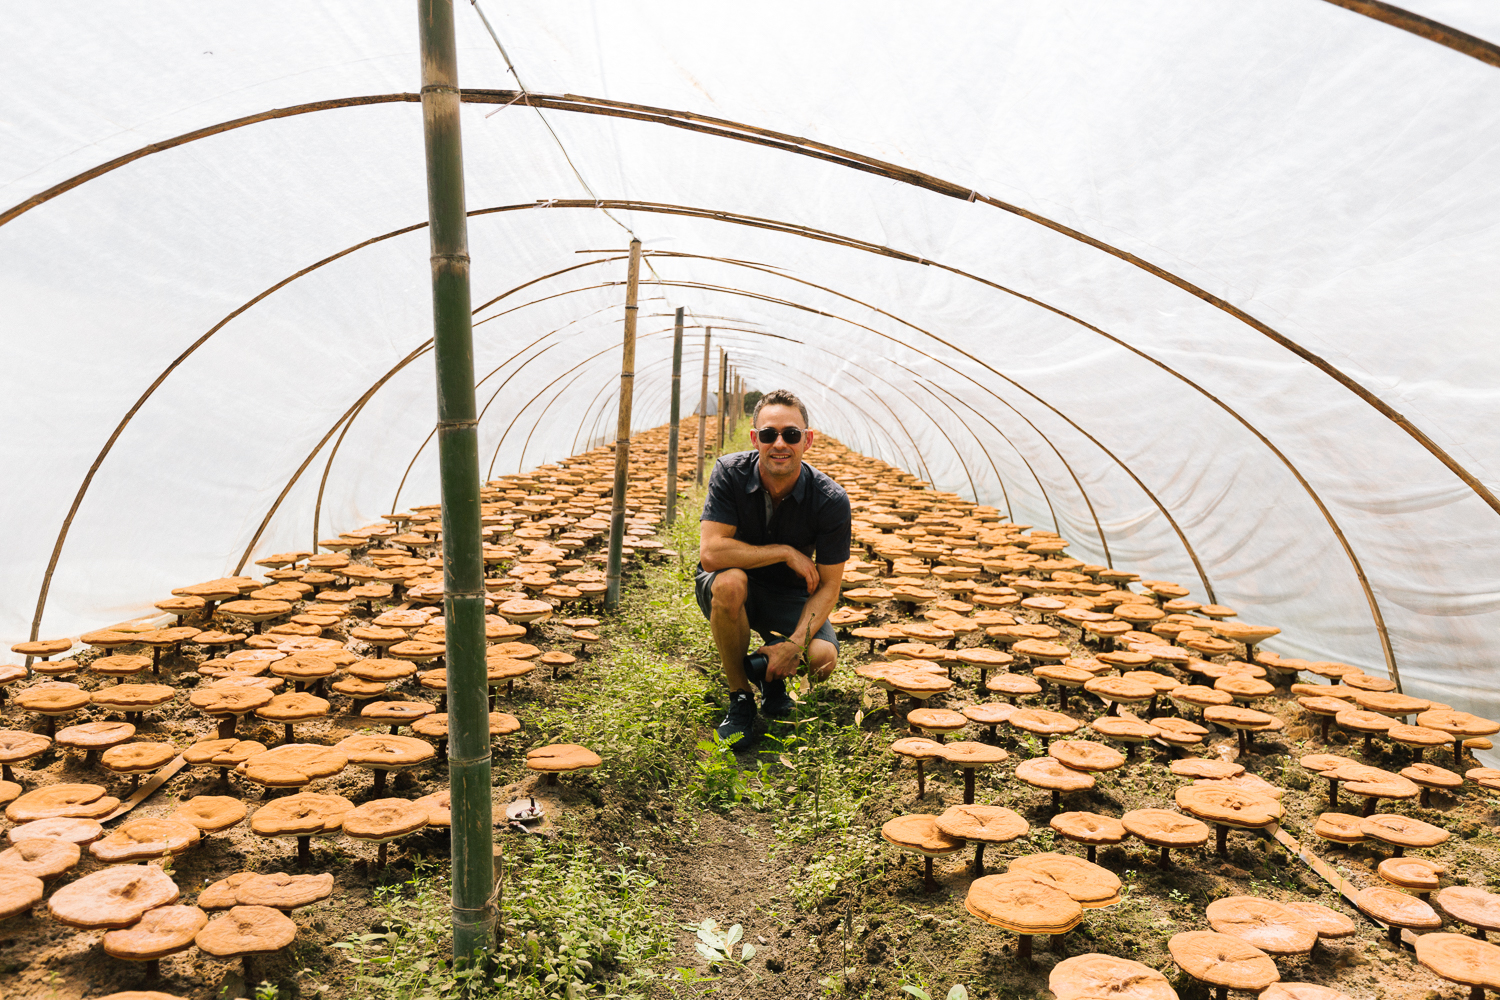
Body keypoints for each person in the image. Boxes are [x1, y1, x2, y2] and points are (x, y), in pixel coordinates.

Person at [696, 388, 851, 743]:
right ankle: (741, 698)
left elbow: (829, 585)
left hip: (788, 593)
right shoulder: (730, 473)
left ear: (807, 441)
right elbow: (712, 554)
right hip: (735, 587)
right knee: (731, 581)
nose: (779, 443)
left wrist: (795, 644)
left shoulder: (830, 500)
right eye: (769, 434)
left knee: (823, 657)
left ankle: (772, 676)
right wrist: (784, 551)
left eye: (791, 434)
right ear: (755, 439)